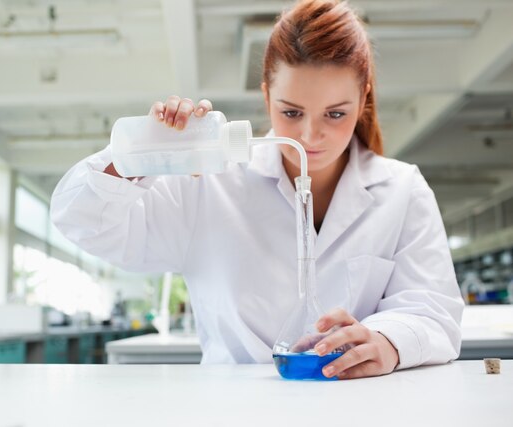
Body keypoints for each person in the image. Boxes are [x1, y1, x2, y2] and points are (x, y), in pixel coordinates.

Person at [51, 0, 463, 379]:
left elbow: (434, 309)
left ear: (364, 100)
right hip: (233, 410)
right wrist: (138, 154)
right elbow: (83, 224)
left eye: (336, 113)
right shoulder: (208, 181)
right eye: (291, 112)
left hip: (357, 407)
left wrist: (388, 341)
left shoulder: (402, 190)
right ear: (267, 98)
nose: (309, 135)